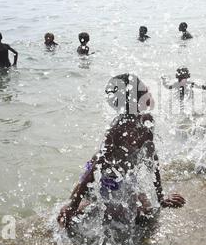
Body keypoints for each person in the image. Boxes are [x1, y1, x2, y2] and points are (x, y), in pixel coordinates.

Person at [58, 74, 186, 229]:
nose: (150, 91)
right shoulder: (118, 129)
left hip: (124, 179)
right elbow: (95, 167)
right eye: (145, 90)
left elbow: (152, 159)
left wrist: (161, 196)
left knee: (145, 215)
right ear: (134, 100)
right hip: (102, 179)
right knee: (72, 217)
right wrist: (73, 204)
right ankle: (81, 203)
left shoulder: (147, 121)